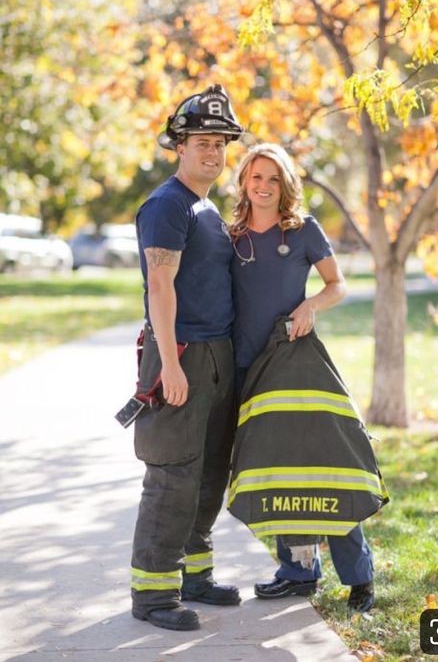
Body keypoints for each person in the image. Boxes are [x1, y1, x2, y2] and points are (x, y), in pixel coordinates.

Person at [229, 143, 376, 614]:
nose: (264, 186)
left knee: (326, 464)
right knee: (279, 469)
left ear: (285, 183)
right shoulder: (230, 234)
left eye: (273, 178)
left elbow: (338, 285)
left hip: (293, 359)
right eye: (256, 177)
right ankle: (297, 571)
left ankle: (359, 576)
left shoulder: (303, 229)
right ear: (244, 182)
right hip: (248, 369)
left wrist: (310, 305)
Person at [130, 85, 244, 631]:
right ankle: (152, 597)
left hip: (216, 356)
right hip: (180, 354)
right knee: (173, 476)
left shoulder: (205, 205)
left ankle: (195, 576)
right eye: (202, 142)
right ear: (179, 145)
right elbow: (160, 284)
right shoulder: (166, 205)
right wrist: (170, 366)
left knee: (207, 476)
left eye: (221, 144)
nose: (213, 153)